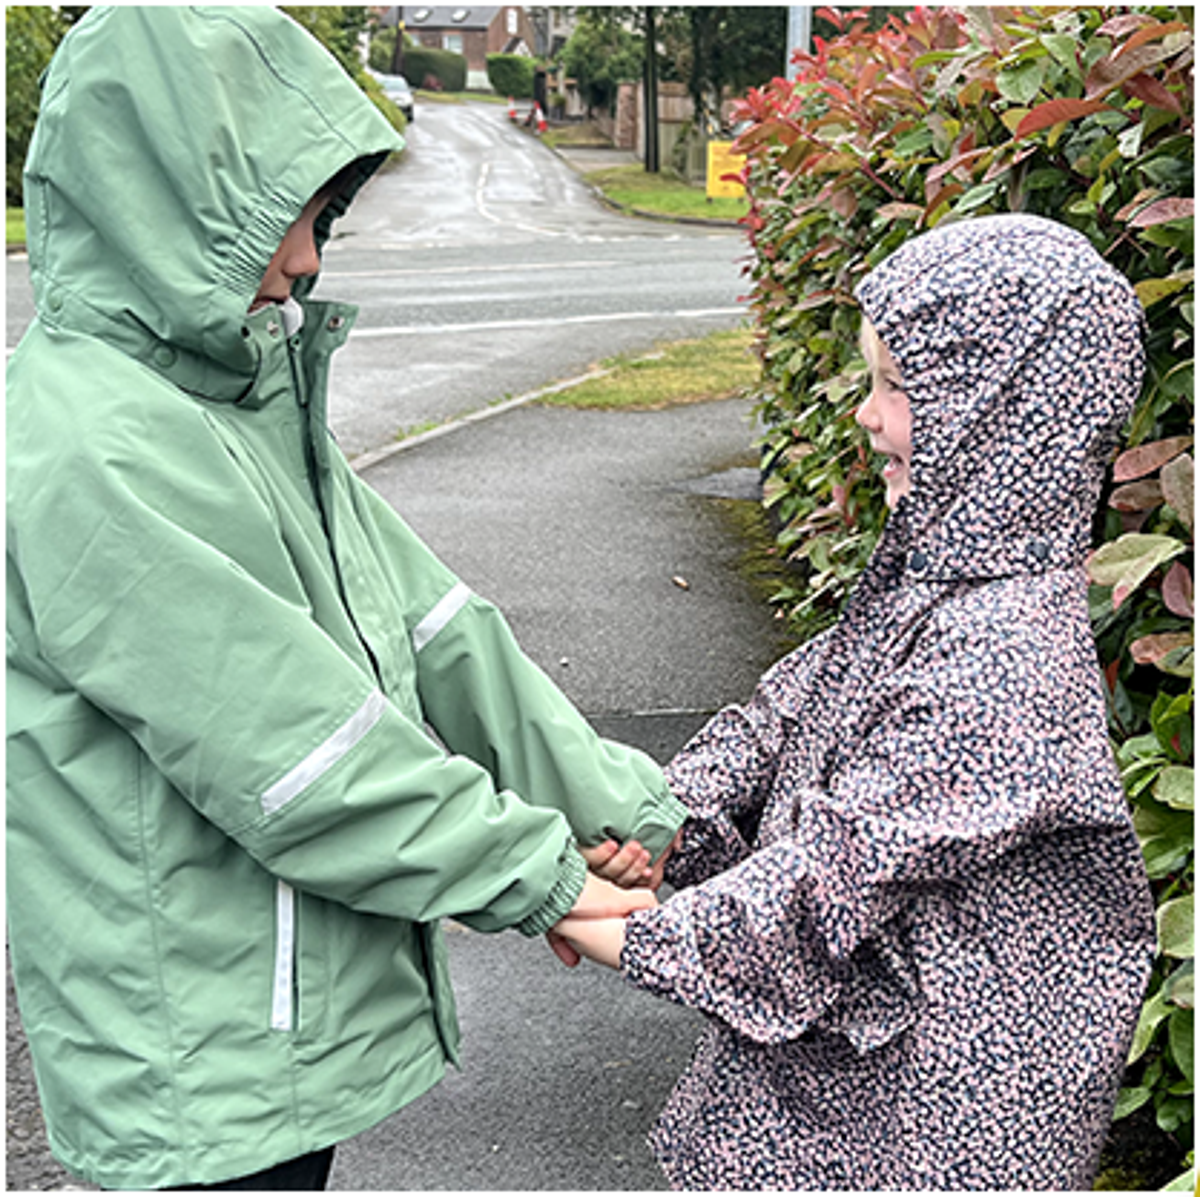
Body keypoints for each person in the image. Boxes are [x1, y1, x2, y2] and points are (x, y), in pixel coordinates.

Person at [6, 7, 684, 1190]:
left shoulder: (232, 405)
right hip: (192, 1064)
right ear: (164, 201)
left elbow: (438, 633)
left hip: (264, 1029)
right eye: (283, 217)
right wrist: (551, 883)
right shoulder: (90, 450)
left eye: (321, 217)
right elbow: (301, 755)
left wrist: (618, 809)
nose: (308, 260)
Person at [556, 214, 1157, 1190]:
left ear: (1000, 424)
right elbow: (786, 717)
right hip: (854, 1100)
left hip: (931, 1140)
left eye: (897, 389)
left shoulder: (1001, 665)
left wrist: (579, 911)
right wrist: (667, 822)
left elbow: (822, 890)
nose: (867, 417)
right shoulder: (939, 580)